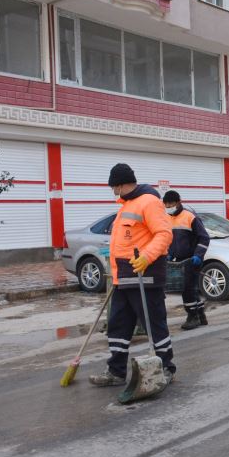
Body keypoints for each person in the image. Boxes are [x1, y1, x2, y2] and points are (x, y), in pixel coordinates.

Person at [89, 164, 176, 386]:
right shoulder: (126, 205)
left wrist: (147, 256)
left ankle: (166, 367)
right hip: (124, 277)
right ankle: (116, 371)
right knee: (118, 325)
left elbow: (164, 234)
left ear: (120, 184)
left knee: (154, 325)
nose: (113, 191)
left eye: (113, 187)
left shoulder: (150, 202)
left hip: (145, 277)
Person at [163, 190, 210, 331]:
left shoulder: (190, 217)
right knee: (191, 288)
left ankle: (192, 316)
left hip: (192, 259)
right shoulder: (167, 218)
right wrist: (169, 253)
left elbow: (204, 237)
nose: (168, 206)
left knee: (187, 289)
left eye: (170, 203)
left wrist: (198, 255)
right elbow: (169, 239)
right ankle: (201, 315)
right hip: (179, 261)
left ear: (178, 202)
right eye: (166, 204)